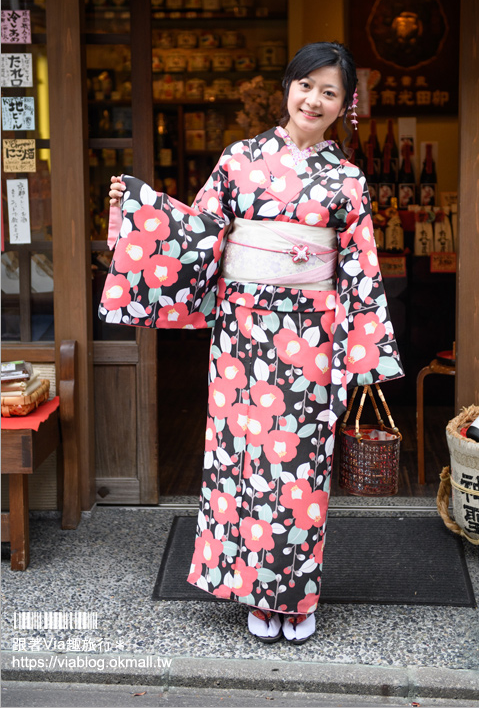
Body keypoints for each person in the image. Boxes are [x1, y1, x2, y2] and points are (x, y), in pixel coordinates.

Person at [102, 41, 404, 645]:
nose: (314, 99)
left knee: (300, 467)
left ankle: (295, 596)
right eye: (306, 84)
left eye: (329, 92)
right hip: (242, 336)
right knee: (242, 466)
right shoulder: (239, 159)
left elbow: (360, 266)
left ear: (345, 106)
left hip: (312, 337)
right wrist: (137, 209)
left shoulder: (346, 179)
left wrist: (360, 347)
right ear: (287, 87)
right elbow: (199, 232)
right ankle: (253, 591)